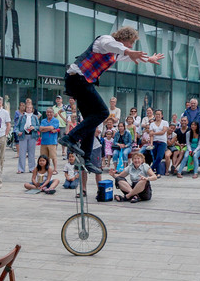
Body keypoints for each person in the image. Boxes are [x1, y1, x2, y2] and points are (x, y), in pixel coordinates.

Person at [58, 27, 163, 177]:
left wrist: (148, 59)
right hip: (77, 79)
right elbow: (113, 46)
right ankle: (70, 137)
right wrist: (127, 51)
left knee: (91, 120)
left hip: (82, 82)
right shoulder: (105, 40)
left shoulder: (116, 53)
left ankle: (86, 158)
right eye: (131, 43)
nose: (131, 46)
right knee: (102, 112)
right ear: (124, 38)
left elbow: (126, 56)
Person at [16, 99, 39, 174]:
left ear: (32, 109)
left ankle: (32, 168)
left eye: (30, 108)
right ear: (25, 109)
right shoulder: (21, 117)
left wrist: (34, 128)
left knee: (31, 153)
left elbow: (39, 127)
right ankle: (21, 168)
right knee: (22, 153)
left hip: (32, 136)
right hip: (23, 136)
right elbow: (16, 127)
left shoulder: (35, 117)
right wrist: (18, 132)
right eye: (27, 108)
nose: (29, 109)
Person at [148, 110, 170, 176]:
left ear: (162, 115)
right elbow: (151, 135)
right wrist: (151, 143)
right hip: (154, 142)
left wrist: (154, 133)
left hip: (162, 142)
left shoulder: (165, 123)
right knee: (155, 157)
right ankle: (158, 173)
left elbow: (163, 132)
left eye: (159, 114)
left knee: (159, 157)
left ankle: (150, 169)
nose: (158, 116)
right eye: (156, 114)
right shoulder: (152, 124)